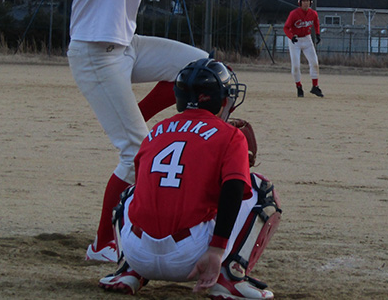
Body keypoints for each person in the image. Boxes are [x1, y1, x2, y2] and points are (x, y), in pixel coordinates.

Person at [68, 0, 232, 262]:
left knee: (201, 67)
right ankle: (102, 244)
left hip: (125, 45)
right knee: (136, 150)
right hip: (95, 53)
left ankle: (134, 116)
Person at [97, 58, 280, 299]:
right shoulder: (230, 135)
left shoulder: (156, 131)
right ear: (222, 98)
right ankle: (231, 276)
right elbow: (234, 189)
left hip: (138, 253)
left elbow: (147, 184)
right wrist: (216, 250)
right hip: (191, 257)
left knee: (131, 193)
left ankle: (128, 270)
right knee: (261, 188)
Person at [283, 0, 323, 98]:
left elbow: (316, 23)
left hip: (307, 39)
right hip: (295, 40)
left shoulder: (313, 13)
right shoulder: (294, 14)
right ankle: (299, 87)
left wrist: (318, 34)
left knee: (314, 63)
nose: (306, 3)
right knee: (296, 66)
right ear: (299, 3)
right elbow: (286, 27)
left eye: (308, 1)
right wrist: (291, 36)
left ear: (311, 3)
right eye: (304, 1)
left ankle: (315, 87)